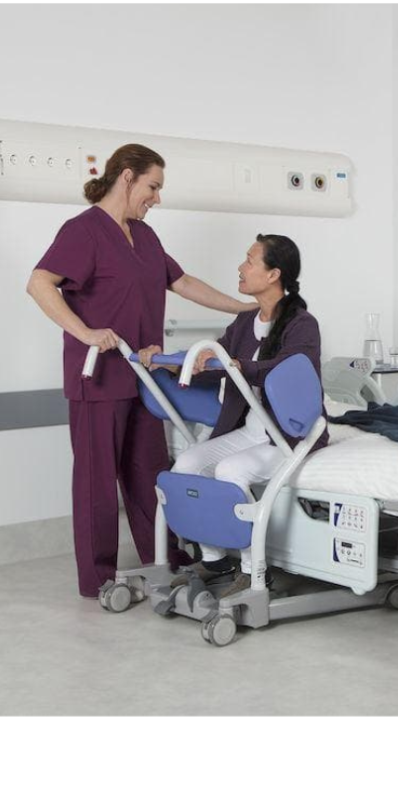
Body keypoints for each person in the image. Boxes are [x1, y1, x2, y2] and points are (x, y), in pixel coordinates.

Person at [27, 143, 256, 598]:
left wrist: (246, 309)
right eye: (153, 186)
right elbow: (39, 283)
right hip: (98, 379)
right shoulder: (84, 231)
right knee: (96, 483)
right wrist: (87, 332)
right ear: (127, 176)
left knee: (151, 473)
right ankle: (99, 579)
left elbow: (182, 282)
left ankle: (168, 560)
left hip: (147, 379)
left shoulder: (145, 237)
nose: (157, 197)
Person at [137, 234, 328, 598]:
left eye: (250, 261)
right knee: (188, 464)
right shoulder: (244, 323)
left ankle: (252, 569)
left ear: (273, 274)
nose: (241, 268)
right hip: (248, 430)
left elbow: (286, 369)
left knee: (229, 471)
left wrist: (240, 366)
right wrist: (167, 361)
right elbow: (213, 362)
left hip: (285, 434)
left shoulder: (303, 324)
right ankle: (214, 561)